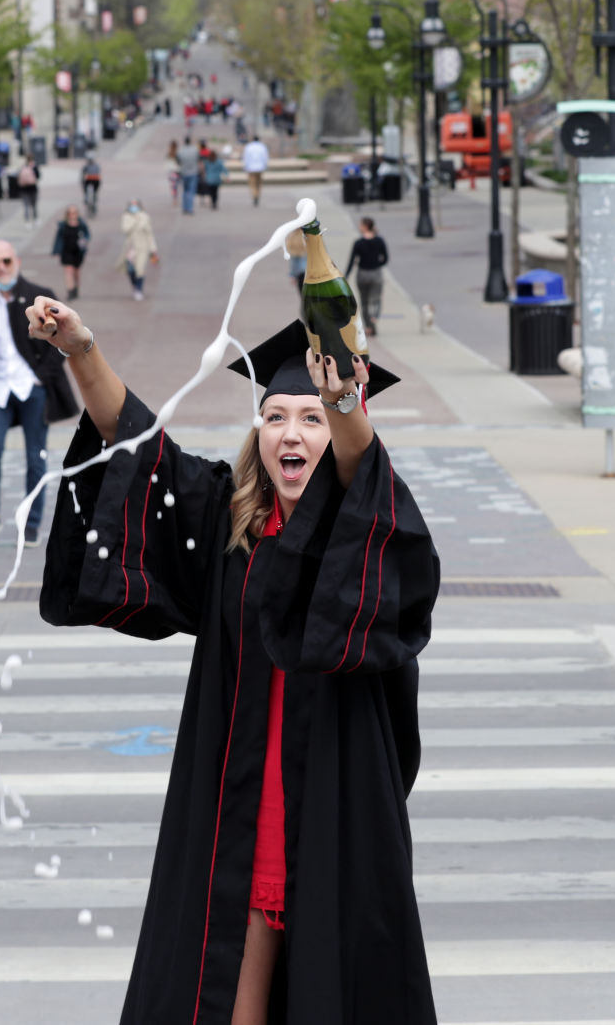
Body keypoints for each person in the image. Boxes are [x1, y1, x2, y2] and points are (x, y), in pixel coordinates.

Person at [34, 309, 440, 1024]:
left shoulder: (371, 534)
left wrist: (343, 396)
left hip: (336, 810)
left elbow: (362, 471)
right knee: (227, 996)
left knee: (336, 989)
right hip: (239, 809)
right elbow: (137, 444)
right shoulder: (229, 527)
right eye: (275, 415)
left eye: (311, 419)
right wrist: (83, 351)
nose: (291, 432)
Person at [0, 241, 78, 550]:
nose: (1, 267)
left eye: (6, 260)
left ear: (16, 261)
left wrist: (42, 377)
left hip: (31, 387)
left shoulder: (38, 296)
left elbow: (63, 339)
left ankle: (31, 522)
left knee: (35, 457)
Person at [343, 217, 390, 337]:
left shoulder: (358, 243)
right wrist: (377, 264)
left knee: (364, 302)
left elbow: (351, 261)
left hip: (362, 274)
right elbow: (385, 258)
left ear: (365, 226)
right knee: (376, 298)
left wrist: (345, 276)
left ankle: (368, 326)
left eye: (360, 225)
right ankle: (374, 316)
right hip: (376, 273)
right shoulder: (379, 241)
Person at [117, 198, 159, 301]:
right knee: (131, 269)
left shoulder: (145, 217)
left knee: (140, 269)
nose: (134, 207)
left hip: (143, 246)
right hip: (131, 247)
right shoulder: (126, 217)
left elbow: (149, 234)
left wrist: (153, 248)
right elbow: (125, 230)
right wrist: (135, 220)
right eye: (132, 204)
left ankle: (139, 290)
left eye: (135, 204)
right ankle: (135, 286)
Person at [51, 204, 90, 301]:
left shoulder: (81, 224)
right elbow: (58, 238)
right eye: (70, 213)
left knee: (76, 272)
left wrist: (85, 242)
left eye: (74, 212)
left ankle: (76, 288)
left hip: (78, 252)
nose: (72, 215)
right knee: (68, 271)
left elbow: (87, 235)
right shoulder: (63, 225)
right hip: (66, 252)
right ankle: (70, 291)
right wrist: (56, 250)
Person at [242, 134, 269, 207]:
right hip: (260, 167)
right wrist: (265, 165)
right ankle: (257, 195)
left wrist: (245, 166)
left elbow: (246, 157)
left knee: (253, 184)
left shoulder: (248, 147)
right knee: (258, 183)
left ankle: (255, 195)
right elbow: (265, 157)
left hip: (251, 168)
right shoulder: (262, 147)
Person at [176, 136, 201, 215]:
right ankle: (189, 208)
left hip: (184, 172)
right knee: (191, 191)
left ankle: (185, 207)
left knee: (185, 191)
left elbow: (178, 161)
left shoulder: (181, 151)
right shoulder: (195, 150)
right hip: (193, 172)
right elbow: (198, 159)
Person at [17, 154, 40, 224]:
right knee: (34, 205)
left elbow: (18, 177)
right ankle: (35, 218)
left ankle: (27, 220)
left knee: (26, 205)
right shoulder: (34, 166)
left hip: (24, 189)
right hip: (33, 188)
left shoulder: (23, 167)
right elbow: (38, 176)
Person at [166, 139, 183, 206]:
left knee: (173, 187)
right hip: (178, 171)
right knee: (178, 186)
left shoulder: (169, 154)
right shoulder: (178, 154)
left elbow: (167, 164)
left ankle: (174, 199)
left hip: (171, 172)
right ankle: (176, 199)